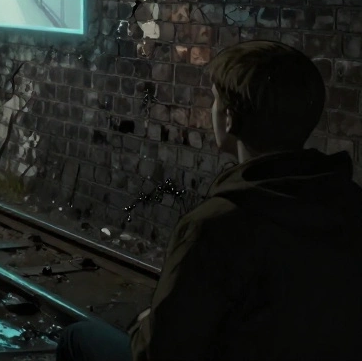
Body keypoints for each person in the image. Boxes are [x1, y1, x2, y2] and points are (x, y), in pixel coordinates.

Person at [57, 40, 362, 361]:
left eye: (215, 101)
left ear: (229, 119)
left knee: (78, 338)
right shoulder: (351, 202)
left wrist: (146, 325)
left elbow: (157, 353)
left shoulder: (216, 225)